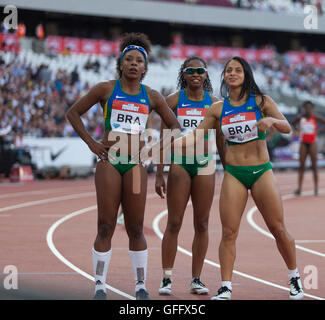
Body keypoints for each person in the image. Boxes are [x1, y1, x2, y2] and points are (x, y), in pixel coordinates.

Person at [173, 56, 304, 300]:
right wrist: (170, 143)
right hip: (234, 174)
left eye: (238, 70)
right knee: (229, 233)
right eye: (228, 70)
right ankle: (226, 286)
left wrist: (272, 120)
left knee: (277, 228)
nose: (232, 73)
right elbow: (195, 136)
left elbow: (288, 127)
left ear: (246, 75)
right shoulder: (218, 109)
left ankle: (294, 277)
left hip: (261, 171)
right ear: (223, 76)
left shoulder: (261, 101)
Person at [66, 32, 180, 300]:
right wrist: (92, 143)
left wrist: (154, 150)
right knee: (105, 225)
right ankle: (100, 286)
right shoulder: (105, 89)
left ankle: (140, 285)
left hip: (135, 165)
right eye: (128, 59)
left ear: (145, 67)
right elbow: (73, 113)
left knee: (136, 227)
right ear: (120, 64)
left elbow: (174, 126)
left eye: (138, 61)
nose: (133, 64)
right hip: (110, 163)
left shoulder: (151, 96)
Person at [156, 56, 226, 296]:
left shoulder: (215, 104)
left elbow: (221, 141)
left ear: (206, 75)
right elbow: (164, 138)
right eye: (190, 70)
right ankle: (166, 278)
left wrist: (229, 172)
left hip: (206, 165)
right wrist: (159, 173)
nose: (195, 74)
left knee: (203, 223)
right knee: (174, 222)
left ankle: (196, 278)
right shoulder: (173, 101)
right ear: (183, 74)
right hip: (180, 163)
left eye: (200, 70)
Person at [291, 100, 325, 196]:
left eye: (310, 108)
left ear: (312, 109)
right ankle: (299, 188)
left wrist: (318, 131)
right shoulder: (300, 117)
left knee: (314, 166)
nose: (308, 110)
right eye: (306, 108)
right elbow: (293, 123)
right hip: (303, 143)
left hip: (313, 143)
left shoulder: (316, 117)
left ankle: (316, 188)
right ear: (304, 108)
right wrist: (297, 130)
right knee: (302, 166)